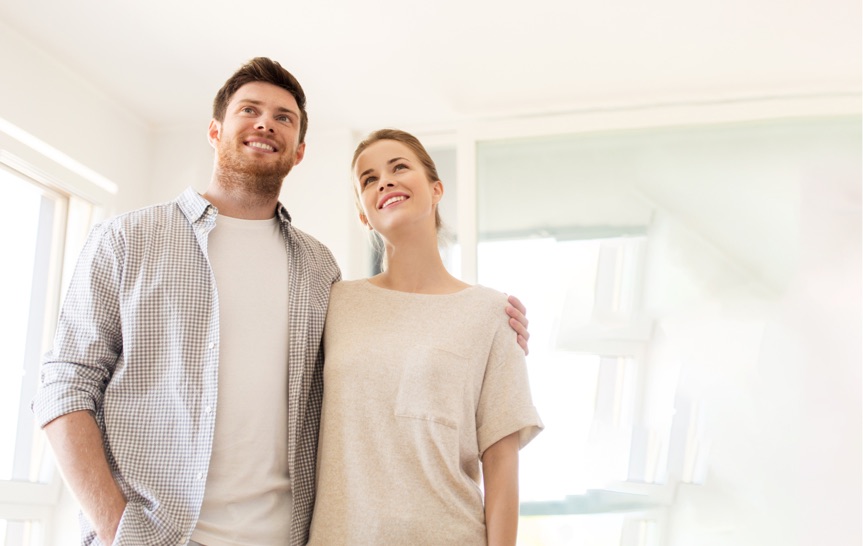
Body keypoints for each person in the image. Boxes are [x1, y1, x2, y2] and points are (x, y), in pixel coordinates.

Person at [31, 58, 529, 546]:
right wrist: (117, 528)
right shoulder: (128, 239)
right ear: (214, 131)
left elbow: (400, 358)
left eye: (283, 117)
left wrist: (494, 324)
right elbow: (64, 384)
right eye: (249, 110)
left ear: (299, 151)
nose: (266, 123)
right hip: (158, 537)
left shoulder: (318, 270)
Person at [307, 129, 543, 545]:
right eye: (369, 178)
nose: (385, 180)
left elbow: (501, 463)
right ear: (364, 214)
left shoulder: (492, 313)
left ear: (436, 189)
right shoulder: (334, 303)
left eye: (399, 167)